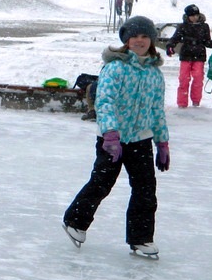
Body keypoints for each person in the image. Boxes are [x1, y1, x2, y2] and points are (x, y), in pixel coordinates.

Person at [62, 16, 169, 258]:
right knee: (102, 182)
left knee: (145, 189)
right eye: (135, 36)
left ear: (152, 41)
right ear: (126, 40)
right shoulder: (115, 68)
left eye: (144, 36)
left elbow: (157, 110)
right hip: (112, 140)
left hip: (141, 139)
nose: (139, 41)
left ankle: (141, 238)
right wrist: (110, 134)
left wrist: (162, 142)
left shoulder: (155, 74)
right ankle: (75, 221)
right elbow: (105, 101)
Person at [165, 4, 212, 108]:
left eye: (196, 15)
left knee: (198, 78)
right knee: (184, 79)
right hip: (186, 55)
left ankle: (196, 101)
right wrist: (170, 46)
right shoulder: (182, 26)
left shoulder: (204, 26)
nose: (195, 17)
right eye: (192, 15)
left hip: (199, 55)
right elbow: (175, 38)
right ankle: (182, 103)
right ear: (187, 16)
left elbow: (207, 41)